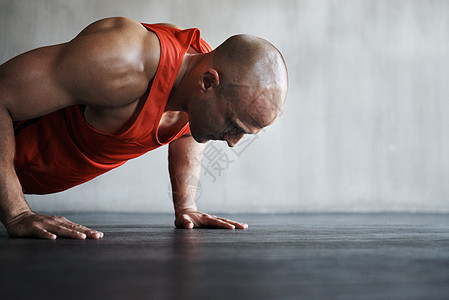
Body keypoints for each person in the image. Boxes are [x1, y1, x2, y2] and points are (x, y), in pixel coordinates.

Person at [0, 17, 288, 239]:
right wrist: (16, 213)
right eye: (233, 126)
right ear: (208, 83)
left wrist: (186, 207)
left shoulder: (200, 81)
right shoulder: (122, 61)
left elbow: (188, 129)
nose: (233, 142)